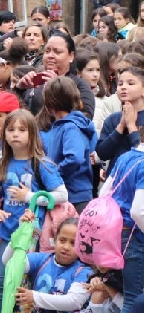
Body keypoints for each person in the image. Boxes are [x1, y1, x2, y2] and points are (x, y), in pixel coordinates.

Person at [0, 110, 68, 313]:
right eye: (10, 130)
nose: (15, 135)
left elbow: (62, 195)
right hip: (7, 233)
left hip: (34, 236)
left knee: (27, 283)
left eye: (22, 130)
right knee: (3, 282)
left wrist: (29, 197)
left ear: (32, 134)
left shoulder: (42, 164)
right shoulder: (2, 163)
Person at [0, 216, 94, 313]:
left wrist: (34, 297)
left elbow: (74, 301)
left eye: (73, 243)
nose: (66, 247)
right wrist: (21, 231)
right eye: (62, 240)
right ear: (54, 240)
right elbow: (9, 262)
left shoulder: (83, 271)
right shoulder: (42, 259)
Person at [98, 119, 144, 313]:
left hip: (119, 234)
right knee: (135, 297)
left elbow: (104, 195)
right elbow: (140, 210)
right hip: (136, 235)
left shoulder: (126, 157)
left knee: (131, 294)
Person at [43, 76, 97, 212]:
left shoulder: (70, 127)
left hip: (75, 195)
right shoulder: (63, 125)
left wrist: (53, 173)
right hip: (67, 192)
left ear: (50, 103)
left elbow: (75, 157)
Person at [15, 32, 95, 118]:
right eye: (47, 51)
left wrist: (58, 87)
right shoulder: (35, 82)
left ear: (71, 56)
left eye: (57, 52)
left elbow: (86, 117)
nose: (50, 56)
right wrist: (19, 90)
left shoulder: (79, 84)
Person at [96, 68, 144, 174]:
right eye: (120, 83)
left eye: (130, 83)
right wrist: (121, 127)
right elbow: (103, 153)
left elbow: (141, 152)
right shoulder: (113, 119)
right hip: (115, 180)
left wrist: (131, 126)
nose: (123, 87)